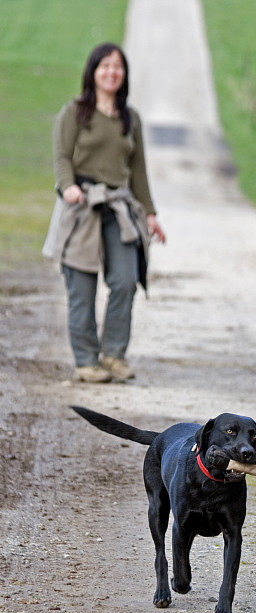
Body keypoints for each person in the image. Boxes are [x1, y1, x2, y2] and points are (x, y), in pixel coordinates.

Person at [43, 42, 165, 382]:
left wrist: (151, 214)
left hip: (119, 207)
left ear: (123, 75)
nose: (112, 72)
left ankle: (113, 355)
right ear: (93, 72)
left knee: (125, 281)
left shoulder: (130, 119)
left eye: (118, 67)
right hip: (81, 205)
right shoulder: (74, 112)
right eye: (105, 66)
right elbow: (61, 157)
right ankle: (86, 360)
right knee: (81, 286)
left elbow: (138, 170)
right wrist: (68, 186)